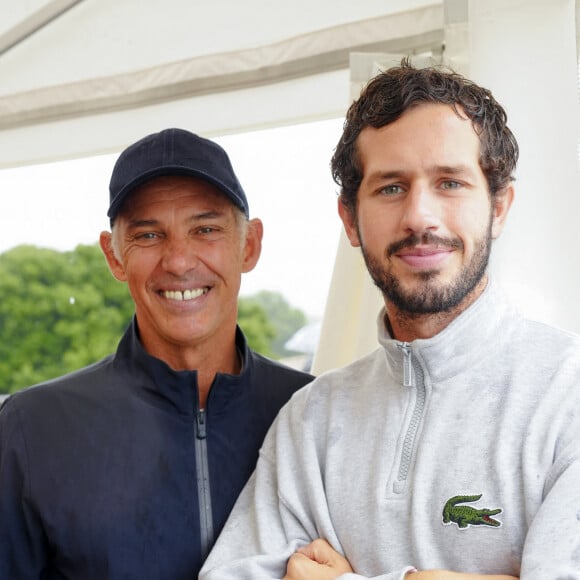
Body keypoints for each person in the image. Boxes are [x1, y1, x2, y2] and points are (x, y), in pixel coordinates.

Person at [199, 61, 580, 579]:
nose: (420, 216)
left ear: (499, 207)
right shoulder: (311, 420)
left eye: (449, 182)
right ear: (350, 220)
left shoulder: (567, 394)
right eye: (391, 188)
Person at [0, 128, 313, 579]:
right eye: (148, 235)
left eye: (205, 229)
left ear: (249, 245)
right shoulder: (31, 427)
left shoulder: (312, 413)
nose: (179, 260)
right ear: (114, 256)